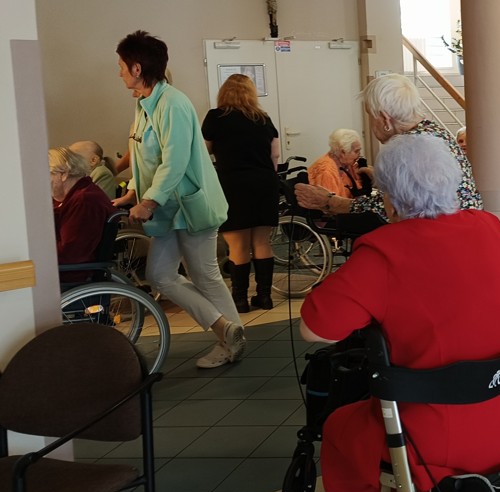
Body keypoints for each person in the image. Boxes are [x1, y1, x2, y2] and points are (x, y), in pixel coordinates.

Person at [300, 133, 500, 492]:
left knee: (342, 429)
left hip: (435, 446)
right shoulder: (487, 227)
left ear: (389, 198)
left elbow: (315, 328)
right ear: (452, 182)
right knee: (419, 408)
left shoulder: (384, 251)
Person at [111, 30, 245, 369]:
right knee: (159, 274)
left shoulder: (173, 103)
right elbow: (144, 158)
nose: (119, 72)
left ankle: (231, 341)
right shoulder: (145, 104)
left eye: (121, 66)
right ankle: (227, 330)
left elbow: (175, 162)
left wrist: (149, 202)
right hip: (169, 209)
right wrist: (132, 193)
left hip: (189, 206)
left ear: (137, 68)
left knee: (205, 277)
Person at [295, 74, 481, 217]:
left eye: (370, 115)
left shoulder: (409, 147)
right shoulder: (434, 132)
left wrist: (331, 202)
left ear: (385, 119)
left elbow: (392, 207)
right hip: (466, 224)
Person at [202, 73, 281, 313]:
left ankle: (240, 300)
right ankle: (264, 297)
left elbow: (204, 153)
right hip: (264, 183)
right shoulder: (263, 119)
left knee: (237, 245)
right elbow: (275, 155)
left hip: (232, 184)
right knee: (261, 241)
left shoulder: (215, 117)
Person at [50, 147, 117, 280]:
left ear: (63, 174)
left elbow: (70, 253)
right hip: (61, 267)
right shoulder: (73, 196)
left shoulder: (84, 201)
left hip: (69, 274)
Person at [307, 128, 373, 200]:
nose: (360, 154)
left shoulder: (347, 163)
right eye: (356, 151)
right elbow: (332, 204)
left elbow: (359, 191)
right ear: (343, 152)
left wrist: (363, 177)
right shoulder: (326, 172)